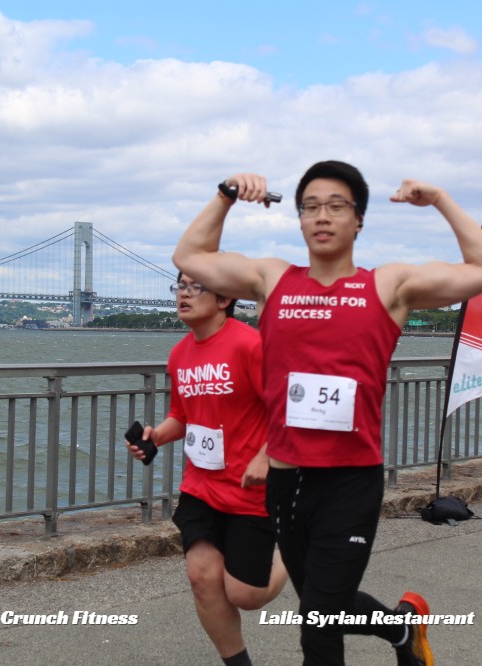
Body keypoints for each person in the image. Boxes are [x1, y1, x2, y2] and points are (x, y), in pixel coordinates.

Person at [172, 162, 482, 666]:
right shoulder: (273, 279)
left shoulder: (389, 285)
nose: (322, 216)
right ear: (300, 220)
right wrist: (226, 195)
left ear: (358, 219)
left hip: (350, 482)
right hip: (287, 482)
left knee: (318, 622)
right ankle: (401, 627)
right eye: (310, 207)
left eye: (336, 206)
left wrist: (439, 199)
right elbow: (190, 257)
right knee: (322, 603)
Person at [126, 272, 287, 666]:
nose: (183, 293)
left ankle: (296, 549)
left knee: (245, 595)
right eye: (180, 285)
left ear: (223, 299)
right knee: (201, 576)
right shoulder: (179, 355)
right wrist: (156, 435)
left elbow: (286, 408)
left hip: (250, 488)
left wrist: (266, 456)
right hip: (201, 486)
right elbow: (182, 416)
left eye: (195, 286)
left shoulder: (250, 345)